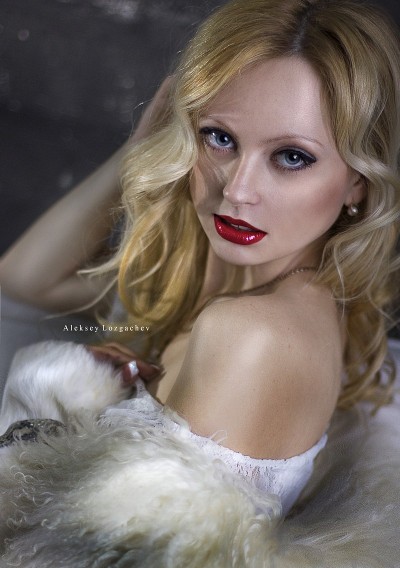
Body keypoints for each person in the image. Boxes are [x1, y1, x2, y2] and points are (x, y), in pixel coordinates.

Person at [0, 0, 399, 565]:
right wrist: (138, 152)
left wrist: (57, 393)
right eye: (219, 138)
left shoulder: (250, 333)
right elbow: (23, 282)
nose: (237, 189)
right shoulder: (230, 288)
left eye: (291, 157)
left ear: (357, 180)